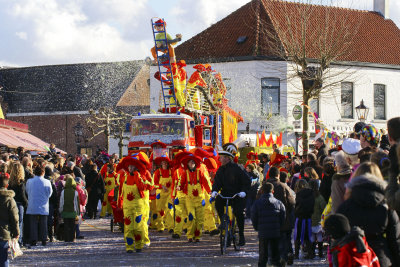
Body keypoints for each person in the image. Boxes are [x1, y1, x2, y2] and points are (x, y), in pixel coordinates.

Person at [337, 174, 400, 267]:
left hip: (354, 257)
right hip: (381, 257)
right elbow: (395, 239)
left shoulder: (345, 207)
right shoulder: (385, 206)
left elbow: (338, 238)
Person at [211, 143, 251, 246]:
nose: (220, 159)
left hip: (237, 195)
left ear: (228, 158)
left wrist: (243, 192)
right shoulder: (220, 170)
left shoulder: (237, 168)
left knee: (238, 213)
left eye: (222, 157)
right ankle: (223, 222)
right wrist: (214, 191)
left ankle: (241, 235)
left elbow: (247, 181)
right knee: (218, 203)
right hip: (225, 194)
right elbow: (217, 182)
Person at [178, 154, 211, 242]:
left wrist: (210, 191)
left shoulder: (200, 172)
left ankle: (197, 236)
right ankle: (189, 235)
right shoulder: (185, 173)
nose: (191, 163)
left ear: (195, 164)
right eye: (190, 162)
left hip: (200, 199)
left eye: (193, 162)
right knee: (191, 217)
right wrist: (179, 187)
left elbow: (206, 182)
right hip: (189, 199)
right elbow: (181, 182)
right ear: (187, 164)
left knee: (199, 219)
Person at [251, 183, 286, 267]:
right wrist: (278, 227)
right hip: (275, 232)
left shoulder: (257, 203)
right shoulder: (279, 203)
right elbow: (283, 217)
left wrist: (257, 227)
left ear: (262, 191)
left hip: (263, 232)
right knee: (275, 256)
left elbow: (254, 217)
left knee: (263, 256)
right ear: (273, 191)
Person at [267, 167, 295, 265]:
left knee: (270, 242)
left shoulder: (264, 187)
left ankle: (272, 260)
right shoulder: (283, 186)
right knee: (283, 240)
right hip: (282, 219)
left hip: (268, 221)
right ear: (278, 175)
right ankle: (284, 258)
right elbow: (291, 202)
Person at [26, 160, 53, 247]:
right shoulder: (47, 182)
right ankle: (43, 239)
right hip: (43, 205)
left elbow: (27, 191)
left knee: (33, 223)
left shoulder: (29, 181)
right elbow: (49, 193)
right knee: (43, 223)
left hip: (32, 204)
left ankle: (33, 239)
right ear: (43, 172)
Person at [0, 172, 19, 266]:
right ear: (7, 185)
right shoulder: (9, 200)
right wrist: (16, 233)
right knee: (3, 259)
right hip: (4, 233)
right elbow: (14, 218)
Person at [152, 155, 174, 233]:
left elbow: (174, 182)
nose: (164, 164)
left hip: (169, 194)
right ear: (161, 164)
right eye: (163, 163)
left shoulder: (172, 171)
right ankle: (160, 226)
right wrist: (161, 186)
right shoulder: (157, 172)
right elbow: (154, 184)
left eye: (165, 162)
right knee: (160, 210)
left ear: (168, 163)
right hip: (160, 194)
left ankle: (170, 227)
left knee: (169, 209)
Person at [293, 179, 314, 259]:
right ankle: (310, 253)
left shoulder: (298, 194)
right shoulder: (311, 193)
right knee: (308, 236)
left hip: (300, 217)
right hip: (308, 217)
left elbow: (297, 206)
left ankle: (296, 254)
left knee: (297, 236)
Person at [8, 163, 27, 246]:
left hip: (11, 203)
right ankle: (19, 241)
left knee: (12, 222)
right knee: (19, 223)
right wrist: (26, 203)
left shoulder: (10, 183)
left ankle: (12, 240)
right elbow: (22, 195)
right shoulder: (21, 183)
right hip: (19, 205)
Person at [59, 175, 80, 242]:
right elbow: (77, 203)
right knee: (72, 226)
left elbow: (61, 202)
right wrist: (78, 212)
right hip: (73, 211)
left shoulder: (63, 192)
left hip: (65, 211)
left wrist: (61, 210)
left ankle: (66, 238)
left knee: (66, 226)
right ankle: (72, 238)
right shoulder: (75, 192)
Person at [309, 179, 326, 259]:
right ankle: (320, 252)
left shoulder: (308, 196)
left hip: (310, 220)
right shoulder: (320, 197)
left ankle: (312, 253)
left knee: (312, 236)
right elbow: (324, 208)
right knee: (319, 236)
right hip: (318, 220)